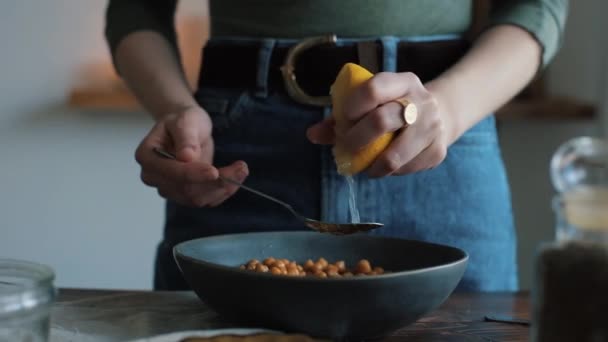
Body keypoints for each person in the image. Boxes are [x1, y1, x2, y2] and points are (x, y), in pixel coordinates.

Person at [104, 0, 568, 291]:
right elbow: (134, 8)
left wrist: (447, 110)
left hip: (438, 136)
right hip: (234, 148)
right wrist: (173, 107)